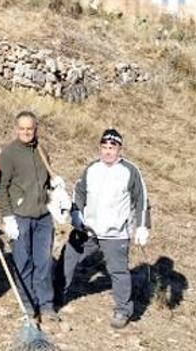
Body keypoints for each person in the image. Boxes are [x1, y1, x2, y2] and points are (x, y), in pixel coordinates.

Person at [62, 129, 151, 329]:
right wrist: (76, 213)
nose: (108, 151)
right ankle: (57, 295)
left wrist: (143, 226)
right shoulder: (92, 168)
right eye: (104, 147)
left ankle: (123, 310)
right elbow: (79, 191)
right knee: (68, 258)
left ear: (120, 149)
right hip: (88, 229)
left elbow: (142, 200)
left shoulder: (129, 170)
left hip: (116, 234)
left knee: (118, 271)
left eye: (112, 147)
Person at [0, 110, 64, 322]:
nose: (26, 132)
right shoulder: (9, 154)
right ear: (17, 129)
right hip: (21, 217)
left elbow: (46, 181)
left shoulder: (41, 150)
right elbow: (0, 189)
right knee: (23, 263)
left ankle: (46, 305)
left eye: (30, 128)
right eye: (22, 128)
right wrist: (8, 217)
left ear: (36, 129)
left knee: (43, 262)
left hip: (43, 216)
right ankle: (27, 304)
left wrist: (56, 189)